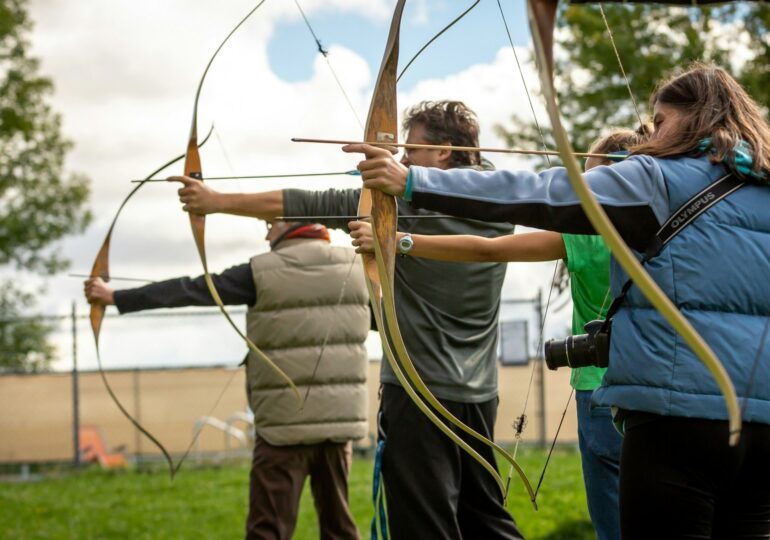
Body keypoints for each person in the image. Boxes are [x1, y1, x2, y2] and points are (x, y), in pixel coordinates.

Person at [346, 63, 770, 539]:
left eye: (660, 121)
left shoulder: (656, 178)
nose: (651, 136)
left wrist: (412, 181)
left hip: (677, 420)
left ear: (693, 118)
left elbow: (539, 191)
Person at [170, 101, 525, 539]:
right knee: (485, 519)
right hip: (480, 395)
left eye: (410, 150)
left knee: (424, 526)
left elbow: (307, 203)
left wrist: (214, 201)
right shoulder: (500, 203)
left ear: (444, 151)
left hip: (417, 395)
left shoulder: (402, 208)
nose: (401, 159)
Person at [350, 127, 649, 540]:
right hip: (658, 391)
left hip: (599, 392)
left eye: (591, 181)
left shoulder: (588, 234)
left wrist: (397, 240)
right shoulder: (673, 229)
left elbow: (486, 250)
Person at [85, 220, 370, 540]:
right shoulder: (356, 269)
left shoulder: (262, 271)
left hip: (282, 428)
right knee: (339, 528)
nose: (267, 234)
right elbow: (383, 321)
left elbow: (191, 289)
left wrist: (115, 296)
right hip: (338, 427)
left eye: (270, 224)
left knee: (268, 531)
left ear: (291, 221)